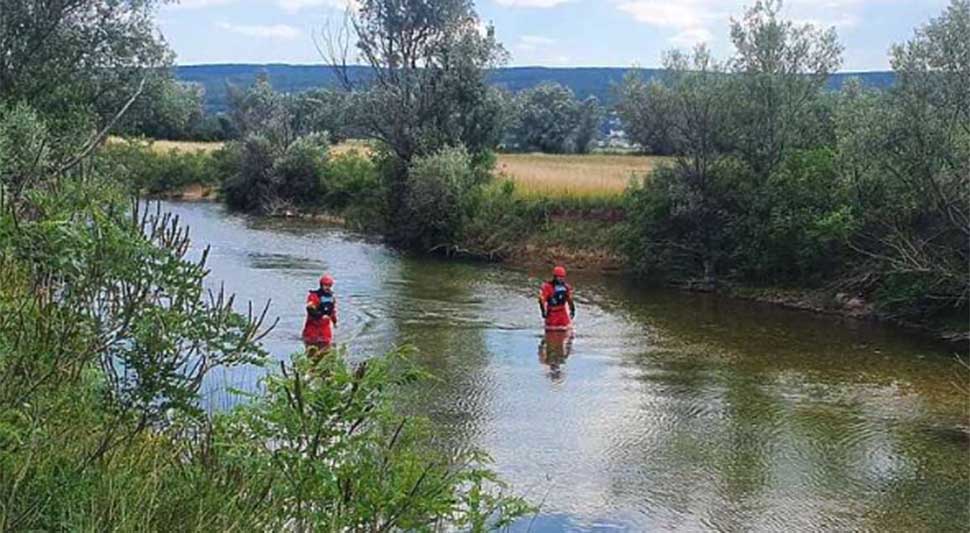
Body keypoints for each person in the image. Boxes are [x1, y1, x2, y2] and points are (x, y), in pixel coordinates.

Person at [303, 274, 338, 350]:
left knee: (326, 344)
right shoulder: (313, 296)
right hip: (312, 326)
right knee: (310, 343)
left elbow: (332, 311)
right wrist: (320, 316)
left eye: (329, 285)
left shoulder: (331, 298)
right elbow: (310, 309)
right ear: (321, 285)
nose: (327, 287)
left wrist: (334, 321)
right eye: (325, 285)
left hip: (324, 327)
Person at [538, 265, 575, 331]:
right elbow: (541, 300)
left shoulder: (566, 287)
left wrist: (572, 310)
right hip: (552, 313)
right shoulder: (547, 287)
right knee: (551, 332)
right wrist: (543, 311)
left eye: (562, 277)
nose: (560, 279)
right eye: (559, 277)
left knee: (568, 330)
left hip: (562, 312)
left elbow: (570, 299)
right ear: (554, 277)